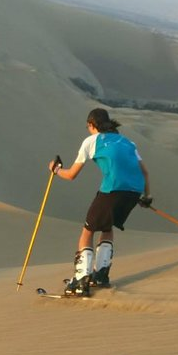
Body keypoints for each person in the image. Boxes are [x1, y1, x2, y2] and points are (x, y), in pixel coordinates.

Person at [49, 108, 152, 297]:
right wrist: (146, 197)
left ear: (91, 125)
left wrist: (55, 170)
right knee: (107, 227)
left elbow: (71, 175)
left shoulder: (91, 141)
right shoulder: (128, 142)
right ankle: (101, 275)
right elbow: (144, 172)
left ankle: (81, 280)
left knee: (87, 231)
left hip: (113, 189)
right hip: (134, 191)